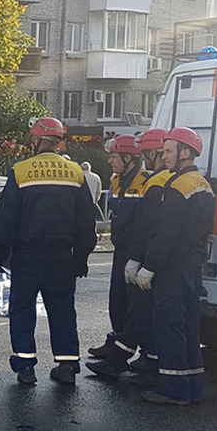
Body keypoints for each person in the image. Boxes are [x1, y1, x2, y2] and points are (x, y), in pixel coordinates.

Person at [0, 117, 98, 385]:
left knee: (23, 310)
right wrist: (82, 257)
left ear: (36, 140)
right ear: (59, 141)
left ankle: (26, 367)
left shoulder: (21, 170)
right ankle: (68, 365)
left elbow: (5, 218)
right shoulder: (75, 173)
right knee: (62, 310)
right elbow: (87, 221)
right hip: (63, 256)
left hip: (28, 255)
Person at [132, 128, 215, 406]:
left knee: (168, 325)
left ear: (185, 153)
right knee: (189, 326)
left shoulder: (177, 186)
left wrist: (150, 266)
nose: (163, 156)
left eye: (168, 151)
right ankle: (191, 385)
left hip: (173, 268)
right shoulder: (202, 184)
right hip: (192, 266)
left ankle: (173, 389)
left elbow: (166, 232)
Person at [116, 128, 175, 387]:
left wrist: (140, 259)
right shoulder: (168, 179)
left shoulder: (157, 182)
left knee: (146, 310)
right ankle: (145, 356)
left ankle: (151, 362)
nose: (143, 159)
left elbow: (147, 226)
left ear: (154, 153)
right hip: (160, 258)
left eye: (145, 154)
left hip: (152, 258)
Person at [86, 135, 147, 376]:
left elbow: (144, 223)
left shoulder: (144, 182)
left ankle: (127, 354)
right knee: (117, 302)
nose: (110, 161)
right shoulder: (117, 180)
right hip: (121, 250)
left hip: (135, 252)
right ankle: (116, 342)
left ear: (129, 158)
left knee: (134, 305)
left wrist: (138, 256)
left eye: (114, 157)